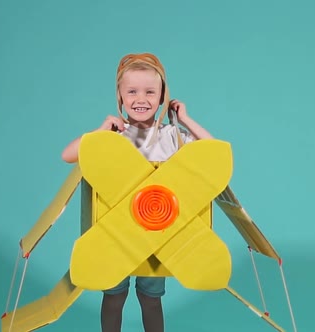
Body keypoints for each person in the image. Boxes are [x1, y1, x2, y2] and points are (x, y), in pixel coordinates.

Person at [60, 53, 213, 332]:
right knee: (114, 296)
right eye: (132, 91)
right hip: (115, 233)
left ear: (163, 96)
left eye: (150, 92)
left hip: (157, 233)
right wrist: (100, 131)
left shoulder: (170, 136)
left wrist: (185, 119)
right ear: (119, 96)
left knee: (150, 298)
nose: (140, 99)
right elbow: (68, 155)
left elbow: (215, 153)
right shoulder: (113, 136)